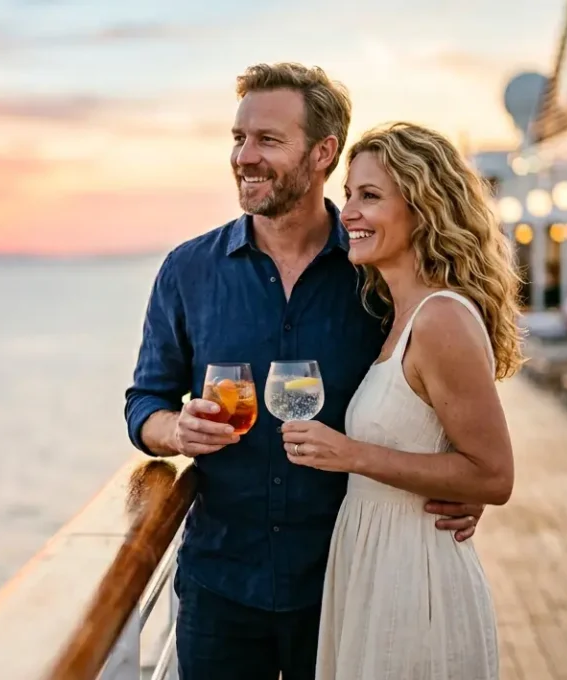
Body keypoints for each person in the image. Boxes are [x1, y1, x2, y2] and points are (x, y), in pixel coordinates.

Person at [123, 63, 487, 680]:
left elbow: (435, 390)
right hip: (221, 585)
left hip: (347, 582)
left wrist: (462, 484)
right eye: (238, 139)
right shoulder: (188, 271)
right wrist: (174, 431)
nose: (245, 157)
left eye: (268, 140)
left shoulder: (378, 267)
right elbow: (144, 403)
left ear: (323, 152)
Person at [281, 122, 521, 678]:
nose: (348, 213)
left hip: (417, 576)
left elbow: (494, 475)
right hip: (375, 566)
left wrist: (351, 455)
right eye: (347, 196)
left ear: (423, 207)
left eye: (369, 196)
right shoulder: (399, 317)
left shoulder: (440, 319)